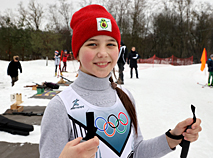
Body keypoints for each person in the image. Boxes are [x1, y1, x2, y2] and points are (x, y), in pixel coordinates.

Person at [39, 4, 202, 158]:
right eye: (93, 44)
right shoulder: (60, 107)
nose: (103, 53)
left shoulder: (125, 96)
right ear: (77, 52)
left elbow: (136, 151)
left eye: (110, 44)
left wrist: (173, 137)